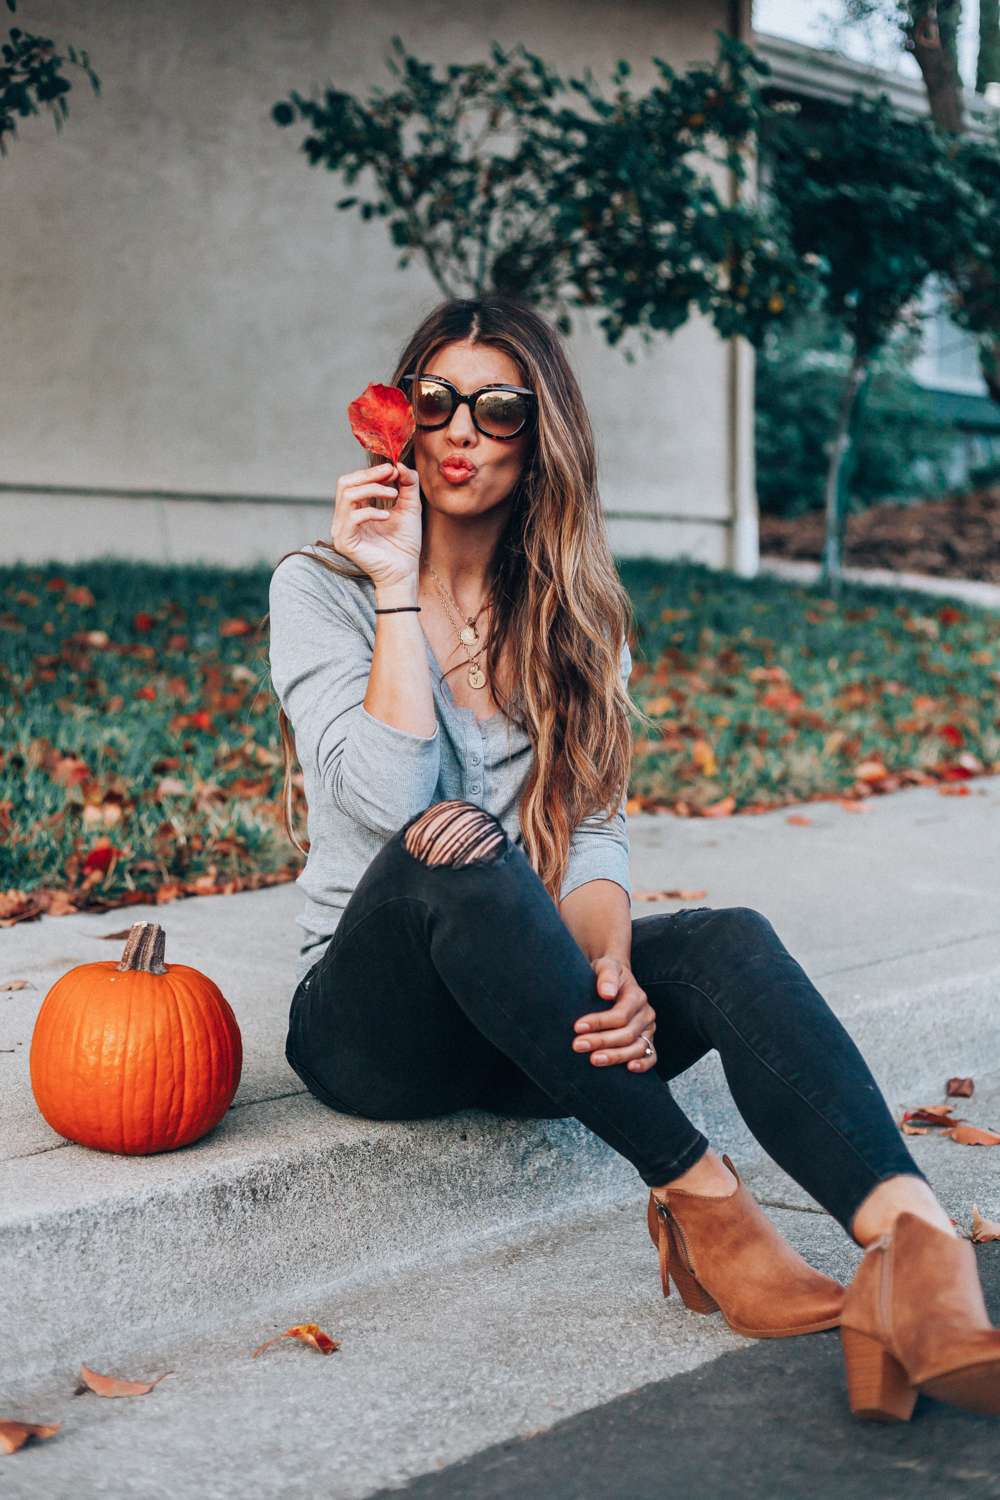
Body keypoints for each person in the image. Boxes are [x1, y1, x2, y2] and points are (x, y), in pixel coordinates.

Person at [269, 297, 1000, 1423]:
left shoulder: (578, 616)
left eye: (498, 407)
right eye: (436, 400)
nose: (462, 429)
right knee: (451, 841)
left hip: (526, 1025)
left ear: (540, 433)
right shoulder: (321, 588)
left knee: (725, 941)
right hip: (376, 1032)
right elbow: (389, 795)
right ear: (399, 422)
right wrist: (396, 584)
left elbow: (596, 831)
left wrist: (608, 971)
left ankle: (919, 1253)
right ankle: (703, 1200)